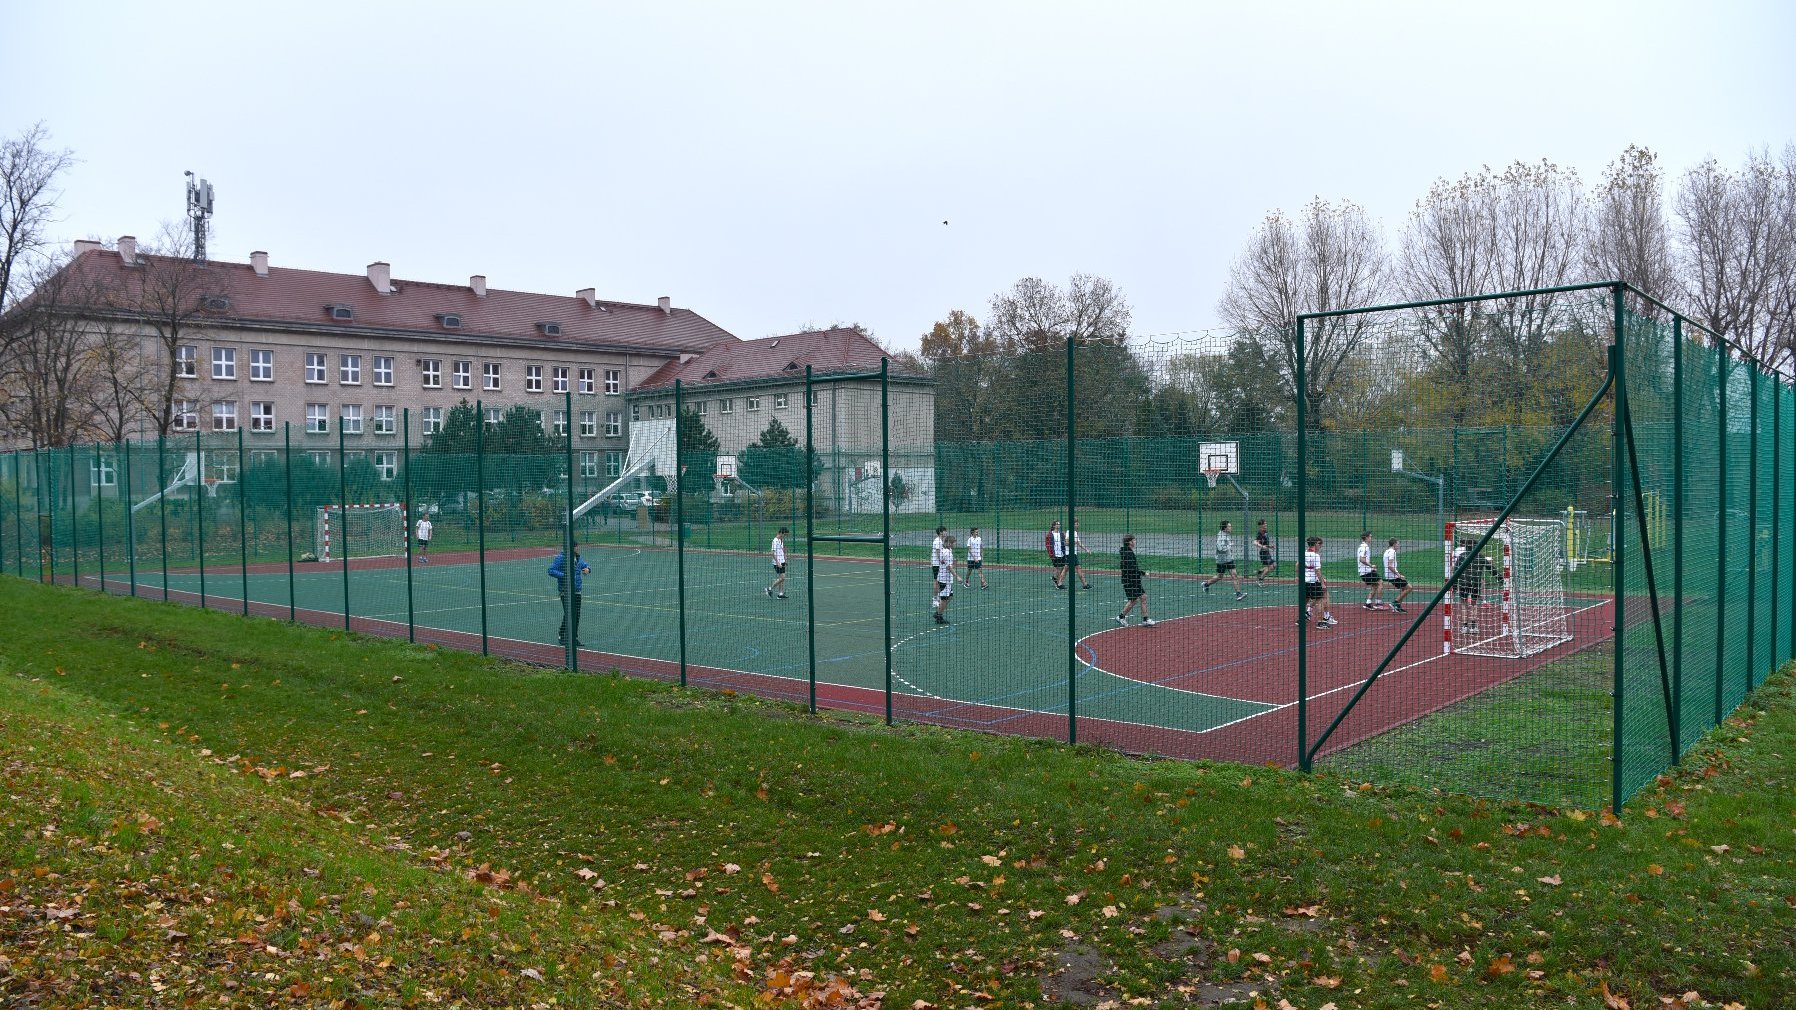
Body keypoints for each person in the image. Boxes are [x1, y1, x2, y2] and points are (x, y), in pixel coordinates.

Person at [547, 542, 591, 647]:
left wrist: (588, 569)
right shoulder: (561, 558)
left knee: (576, 614)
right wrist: (565, 575)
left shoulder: (578, 558)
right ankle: (562, 635)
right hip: (565, 590)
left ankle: (574, 637)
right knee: (569, 613)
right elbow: (551, 570)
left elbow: (585, 565)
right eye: (576, 546)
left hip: (576, 590)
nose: (578, 548)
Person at [1202, 520, 1248, 601]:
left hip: (1229, 559)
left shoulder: (1226, 534)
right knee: (1220, 576)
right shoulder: (1221, 537)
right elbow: (1220, 548)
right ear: (1225, 528)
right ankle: (1206, 584)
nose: (1231, 528)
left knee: (1234, 575)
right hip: (1221, 560)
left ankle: (1238, 594)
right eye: (1229, 526)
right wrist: (1230, 545)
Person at [1116, 534, 1155, 626]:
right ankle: (1121, 617)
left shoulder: (1128, 552)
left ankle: (1145, 619)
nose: (1135, 542)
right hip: (1130, 580)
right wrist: (1143, 573)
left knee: (1142, 597)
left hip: (1133, 580)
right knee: (1135, 600)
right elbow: (1131, 569)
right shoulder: (1128, 554)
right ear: (1130, 542)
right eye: (1134, 540)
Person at [1299, 535, 1337, 628]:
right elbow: (1317, 570)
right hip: (1313, 581)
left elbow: (1297, 565)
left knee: (1305, 600)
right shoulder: (1315, 555)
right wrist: (1322, 583)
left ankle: (1301, 618)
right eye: (1320, 544)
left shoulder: (1304, 553)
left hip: (1304, 581)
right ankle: (1321, 622)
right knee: (1320, 600)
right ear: (1315, 544)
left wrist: (1299, 577)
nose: (1321, 546)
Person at [1382, 537, 1413, 613]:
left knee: (1403, 589)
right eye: (1398, 544)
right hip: (1393, 576)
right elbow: (1390, 565)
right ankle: (1395, 602)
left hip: (1389, 575)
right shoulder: (1392, 552)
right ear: (1394, 544)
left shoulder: (1387, 551)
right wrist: (1398, 575)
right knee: (1409, 588)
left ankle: (1397, 607)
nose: (1399, 546)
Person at [1357, 531, 1384, 610]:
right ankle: (1378, 603)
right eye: (1370, 537)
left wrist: (1371, 568)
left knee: (1375, 586)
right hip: (1365, 572)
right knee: (1380, 583)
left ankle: (1368, 603)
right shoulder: (1365, 547)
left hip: (1365, 571)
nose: (1371, 538)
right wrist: (1371, 566)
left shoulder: (1361, 547)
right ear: (1366, 538)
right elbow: (1362, 560)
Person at [933, 534, 956, 624]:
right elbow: (949, 567)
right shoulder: (948, 552)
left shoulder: (945, 551)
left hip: (942, 577)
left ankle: (938, 612)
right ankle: (939, 616)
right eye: (954, 543)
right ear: (949, 543)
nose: (954, 545)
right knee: (944, 598)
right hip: (945, 579)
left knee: (950, 596)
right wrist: (957, 576)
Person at [766, 527, 789, 599]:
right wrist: (778, 562)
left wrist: (785, 558)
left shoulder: (781, 540)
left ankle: (780, 594)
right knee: (782, 577)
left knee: (782, 578)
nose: (785, 536)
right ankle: (769, 588)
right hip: (777, 562)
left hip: (782, 561)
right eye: (784, 534)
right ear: (781, 533)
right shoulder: (775, 541)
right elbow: (772, 553)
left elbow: (783, 549)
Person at [1070, 520, 1093, 590]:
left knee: (1065, 569)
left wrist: (1086, 549)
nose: (1078, 525)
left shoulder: (1075, 533)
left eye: (1078, 524)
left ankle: (1059, 583)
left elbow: (1079, 543)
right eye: (1076, 524)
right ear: (1073, 525)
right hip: (1071, 554)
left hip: (1073, 553)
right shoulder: (1070, 532)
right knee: (1078, 568)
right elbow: (1067, 542)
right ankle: (1085, 584)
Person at [1046, 520, 1068, 589]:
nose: (1059, 525)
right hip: (1055, 554)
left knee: (1062, 568)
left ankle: (1055, 579)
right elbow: (1048, 545)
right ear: (1054, 526)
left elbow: (1065, 542)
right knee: (1058, 568)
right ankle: (1058, 584)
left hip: (1062, 553)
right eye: (1057, 524)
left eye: (1059, 524)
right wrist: (1051, 554)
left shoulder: (1061, 534)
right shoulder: (1049, 535)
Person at [1253, 519, 1276, 583]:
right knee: (1271, 566)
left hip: (1266, 552)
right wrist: (1262, 546)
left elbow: (1264, 543)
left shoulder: (1265, 532)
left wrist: (1270, 546)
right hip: (1263, 553)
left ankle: (1259, 572)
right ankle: (1260, 579)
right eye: (1264, 524)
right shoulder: (1260, 533)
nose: (1266, 525)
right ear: (1261, 525)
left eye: (1266, 523)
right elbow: (1255, 542)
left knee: (1274, 566)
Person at [930, 526, 947, 599]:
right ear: (940, 532)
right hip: (937, 564)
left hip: (938, 564)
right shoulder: (938, 541)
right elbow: (938, 552)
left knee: (939, 581)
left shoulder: (940, 541)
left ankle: (938, 597)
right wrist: (942, 561)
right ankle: (935, 598)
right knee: (937, 581)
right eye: (944, 531)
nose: (946, 532)